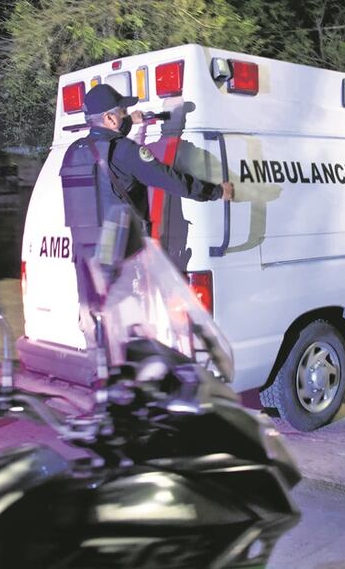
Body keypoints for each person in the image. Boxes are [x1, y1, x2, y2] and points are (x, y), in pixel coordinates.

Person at [59, 84, 233, 379]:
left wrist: (130, 122)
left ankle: (103, 382)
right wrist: (217, 191)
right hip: (121, 258)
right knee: (128, 333)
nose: (126, 115)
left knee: (97, 328)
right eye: (122, 111)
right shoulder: (124, 151)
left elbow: (108, 166)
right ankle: (127, 388)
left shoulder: (74, 152)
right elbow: (171, 179)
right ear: (110, 119)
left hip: (85, 260)